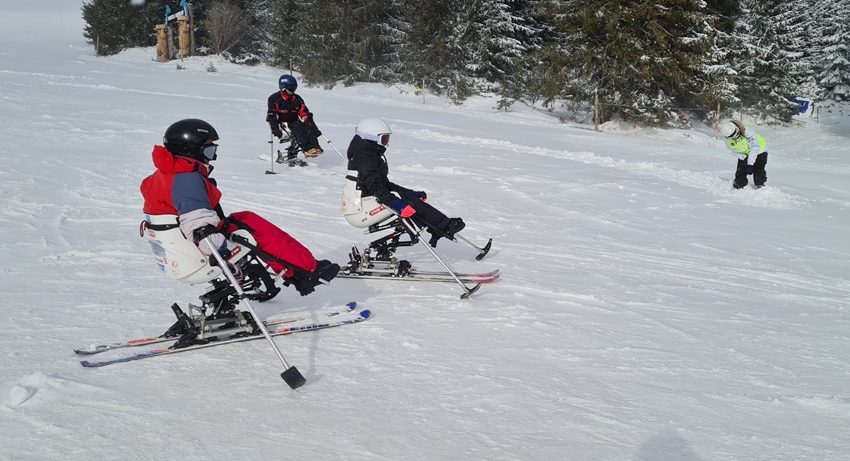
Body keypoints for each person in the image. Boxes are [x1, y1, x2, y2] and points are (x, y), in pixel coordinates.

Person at [140, 118, 338, 295]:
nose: (212, 157)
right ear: (190, 150)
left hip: (178, 254)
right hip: (201, 253)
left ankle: (296, 267)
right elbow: (197, 221)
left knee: (244, 218)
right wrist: (220, 252)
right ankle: (305, 272)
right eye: (209, 150)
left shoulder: (163, 175)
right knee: (253, 228)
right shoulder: (187, 179)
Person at [346, 117, 465, 247]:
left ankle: (441, 226)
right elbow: (374, 185)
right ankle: (444, 226)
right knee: (407, 202)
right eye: (384, 139)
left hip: (366, 201)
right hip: (359, 209)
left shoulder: (369, 155)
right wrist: (397, 204)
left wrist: (409, 193)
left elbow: (383, 184)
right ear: (371, 138)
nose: (386, 143)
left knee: (408, 198)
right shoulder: (364, 158)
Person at [266, 74, 324, 158]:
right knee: (297, 127)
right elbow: (271, 115)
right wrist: (275, 129)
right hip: (282, 123)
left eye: (294, 88)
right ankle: (307, 149)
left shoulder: (297, 99)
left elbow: (303, 111)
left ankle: (315, 146)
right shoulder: (275, 99)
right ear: (283, 87)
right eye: (290, 88)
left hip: (294, 120)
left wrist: (307, 119)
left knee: (307, 125)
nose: (292, 91)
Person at [722, 119, 768, 189]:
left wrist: (750, 163)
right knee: (740, 171)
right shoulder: (728, 141)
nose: (735, 136)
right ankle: (739, 183)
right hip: (744, 153)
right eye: (732, 136)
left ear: (736, 128)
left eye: (736, 133)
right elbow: (732, 151)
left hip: (760, 150)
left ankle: (760, 185)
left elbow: (755, 147)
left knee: (758, 171)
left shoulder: (747, 132)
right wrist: (742, 157)